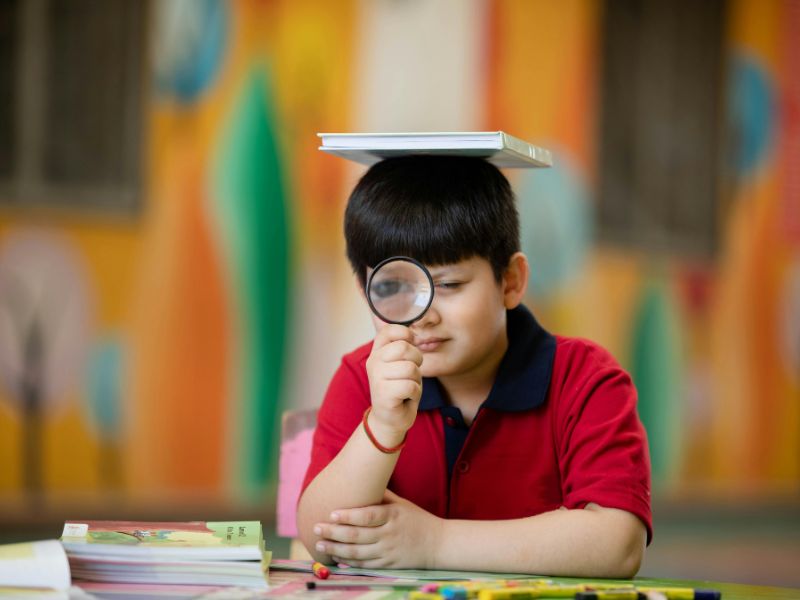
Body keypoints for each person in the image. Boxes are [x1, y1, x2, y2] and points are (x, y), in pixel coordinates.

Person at [296, 155, 651, 577]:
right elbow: (318, 536)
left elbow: (618, 545)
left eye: (448, 285)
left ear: (511, 281)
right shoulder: (362, 376)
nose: (421, 314)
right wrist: (384, 428)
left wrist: (434, 542)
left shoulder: (586, 378)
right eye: (392, 287)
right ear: (365, 290)